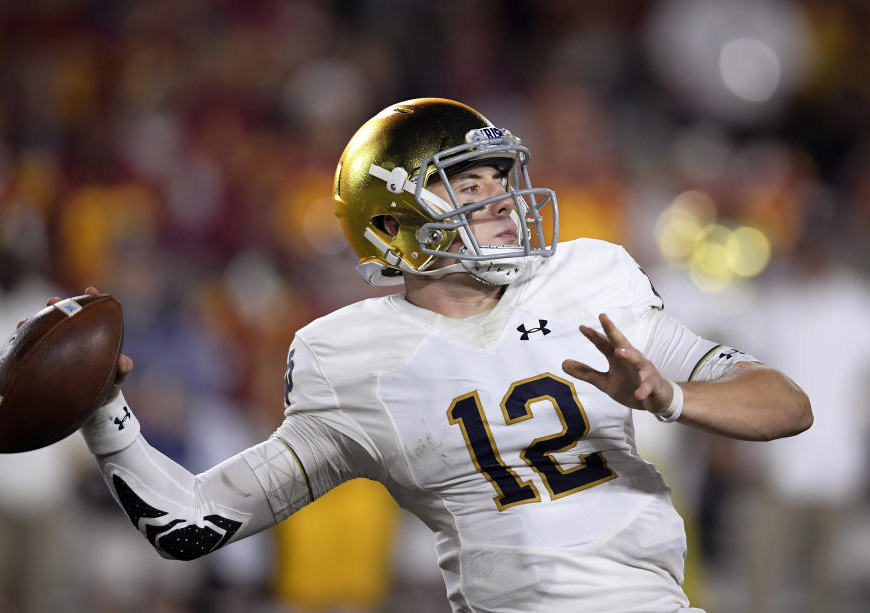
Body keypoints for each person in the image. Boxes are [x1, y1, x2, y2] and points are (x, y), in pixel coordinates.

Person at [55, 98, 811, 613]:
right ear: (391, 219)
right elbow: (190, 522)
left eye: (500, 179)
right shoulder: (347, 357)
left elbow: (786, 404)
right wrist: (103, 415)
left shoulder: (587, 277)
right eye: (467, 185)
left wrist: (669, 398)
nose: (502, 202)